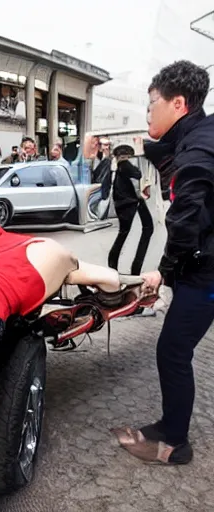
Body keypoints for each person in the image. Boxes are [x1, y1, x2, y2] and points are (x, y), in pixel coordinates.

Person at [112, 60, 214, 465]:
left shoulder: (199, 148)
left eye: (152, 103)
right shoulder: (198, 136)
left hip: (206, 273)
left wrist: (163, 272)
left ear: (178, 103)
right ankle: (170, 425)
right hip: (201, 266)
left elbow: (187, 217)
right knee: (172, 347)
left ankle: (176, 443)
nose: (148, 111)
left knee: (173, 350)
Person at [0, 219, 144, 322]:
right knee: (75, 269)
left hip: (19, 266)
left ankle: (114, 285)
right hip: (7, 245)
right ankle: (114, 284)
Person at [107, 144, 154, 276]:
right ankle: (129, 267)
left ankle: (115, 266)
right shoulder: (125, 165)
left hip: (128, 203)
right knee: (144, 229)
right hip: (130, 204)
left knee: (126, 233)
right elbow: (138, 174)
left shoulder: (119, 167)